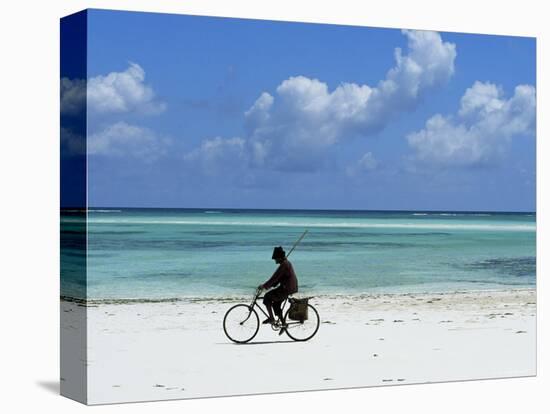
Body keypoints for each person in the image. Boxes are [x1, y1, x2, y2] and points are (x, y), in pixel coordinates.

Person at [258, 246, 298, 325]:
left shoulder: (284, 265)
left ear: (279, 258)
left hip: (287, 288)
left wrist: (264, 286)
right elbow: (277, 279)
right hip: (288, 287)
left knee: (267, 297)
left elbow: (274, 278)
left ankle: (271, 318)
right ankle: (283, 324)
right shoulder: (285, 264)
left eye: (276, 258)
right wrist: (270, 285)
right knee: (276, 304)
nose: (275, 260)